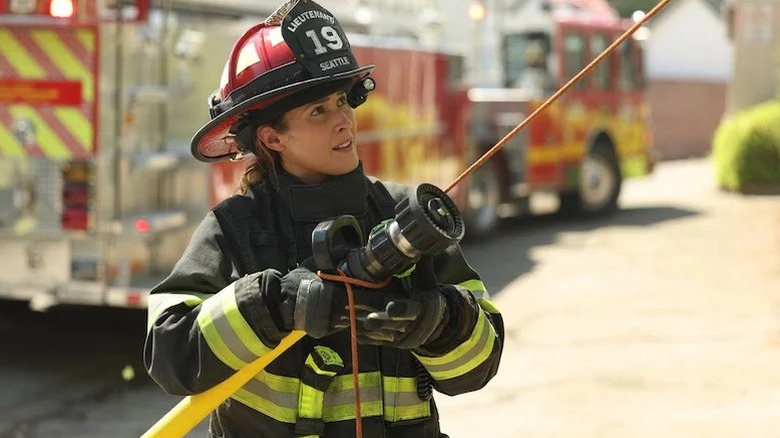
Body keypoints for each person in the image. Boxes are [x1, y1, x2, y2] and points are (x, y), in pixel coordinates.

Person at [144, 1, 504, 437]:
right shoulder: (235, 228)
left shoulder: (405, 214)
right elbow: (170, 356)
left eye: (341, 101)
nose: (344, 121)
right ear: (272, 137)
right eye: (319, 111)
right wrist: (272, 305)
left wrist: (438, 321)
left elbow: (479, 368)